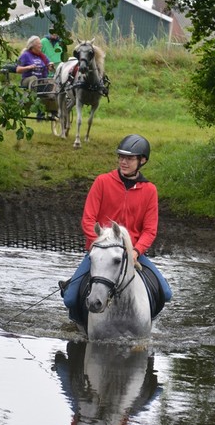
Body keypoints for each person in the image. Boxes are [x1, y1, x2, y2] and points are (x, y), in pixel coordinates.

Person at [61, 134, 172, 323]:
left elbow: (150, 230)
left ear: (142, 160)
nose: (123, 162)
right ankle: (80, 326)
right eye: (121, 157)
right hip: (102, 253)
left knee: (166, 293)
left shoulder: (150, 190)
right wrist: (102, 243)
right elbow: (88, 220)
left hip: (133, 253)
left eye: (129, 158)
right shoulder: (102, 182)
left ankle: (145, 323)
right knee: (70, 298)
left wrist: (136, 252)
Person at [16, 35, 55, 119]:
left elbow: (49, 67)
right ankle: (34, 101)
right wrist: (29, 67)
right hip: (27, 80)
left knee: (52, 83)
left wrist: (50, 66)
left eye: (40, 44)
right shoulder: (25, 55)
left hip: (40, 81)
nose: (41, 45)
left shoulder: (42, 56)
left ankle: (53, 109)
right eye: (39, 44)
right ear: (32, 45)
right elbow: (18, 69)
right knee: (34, 78)